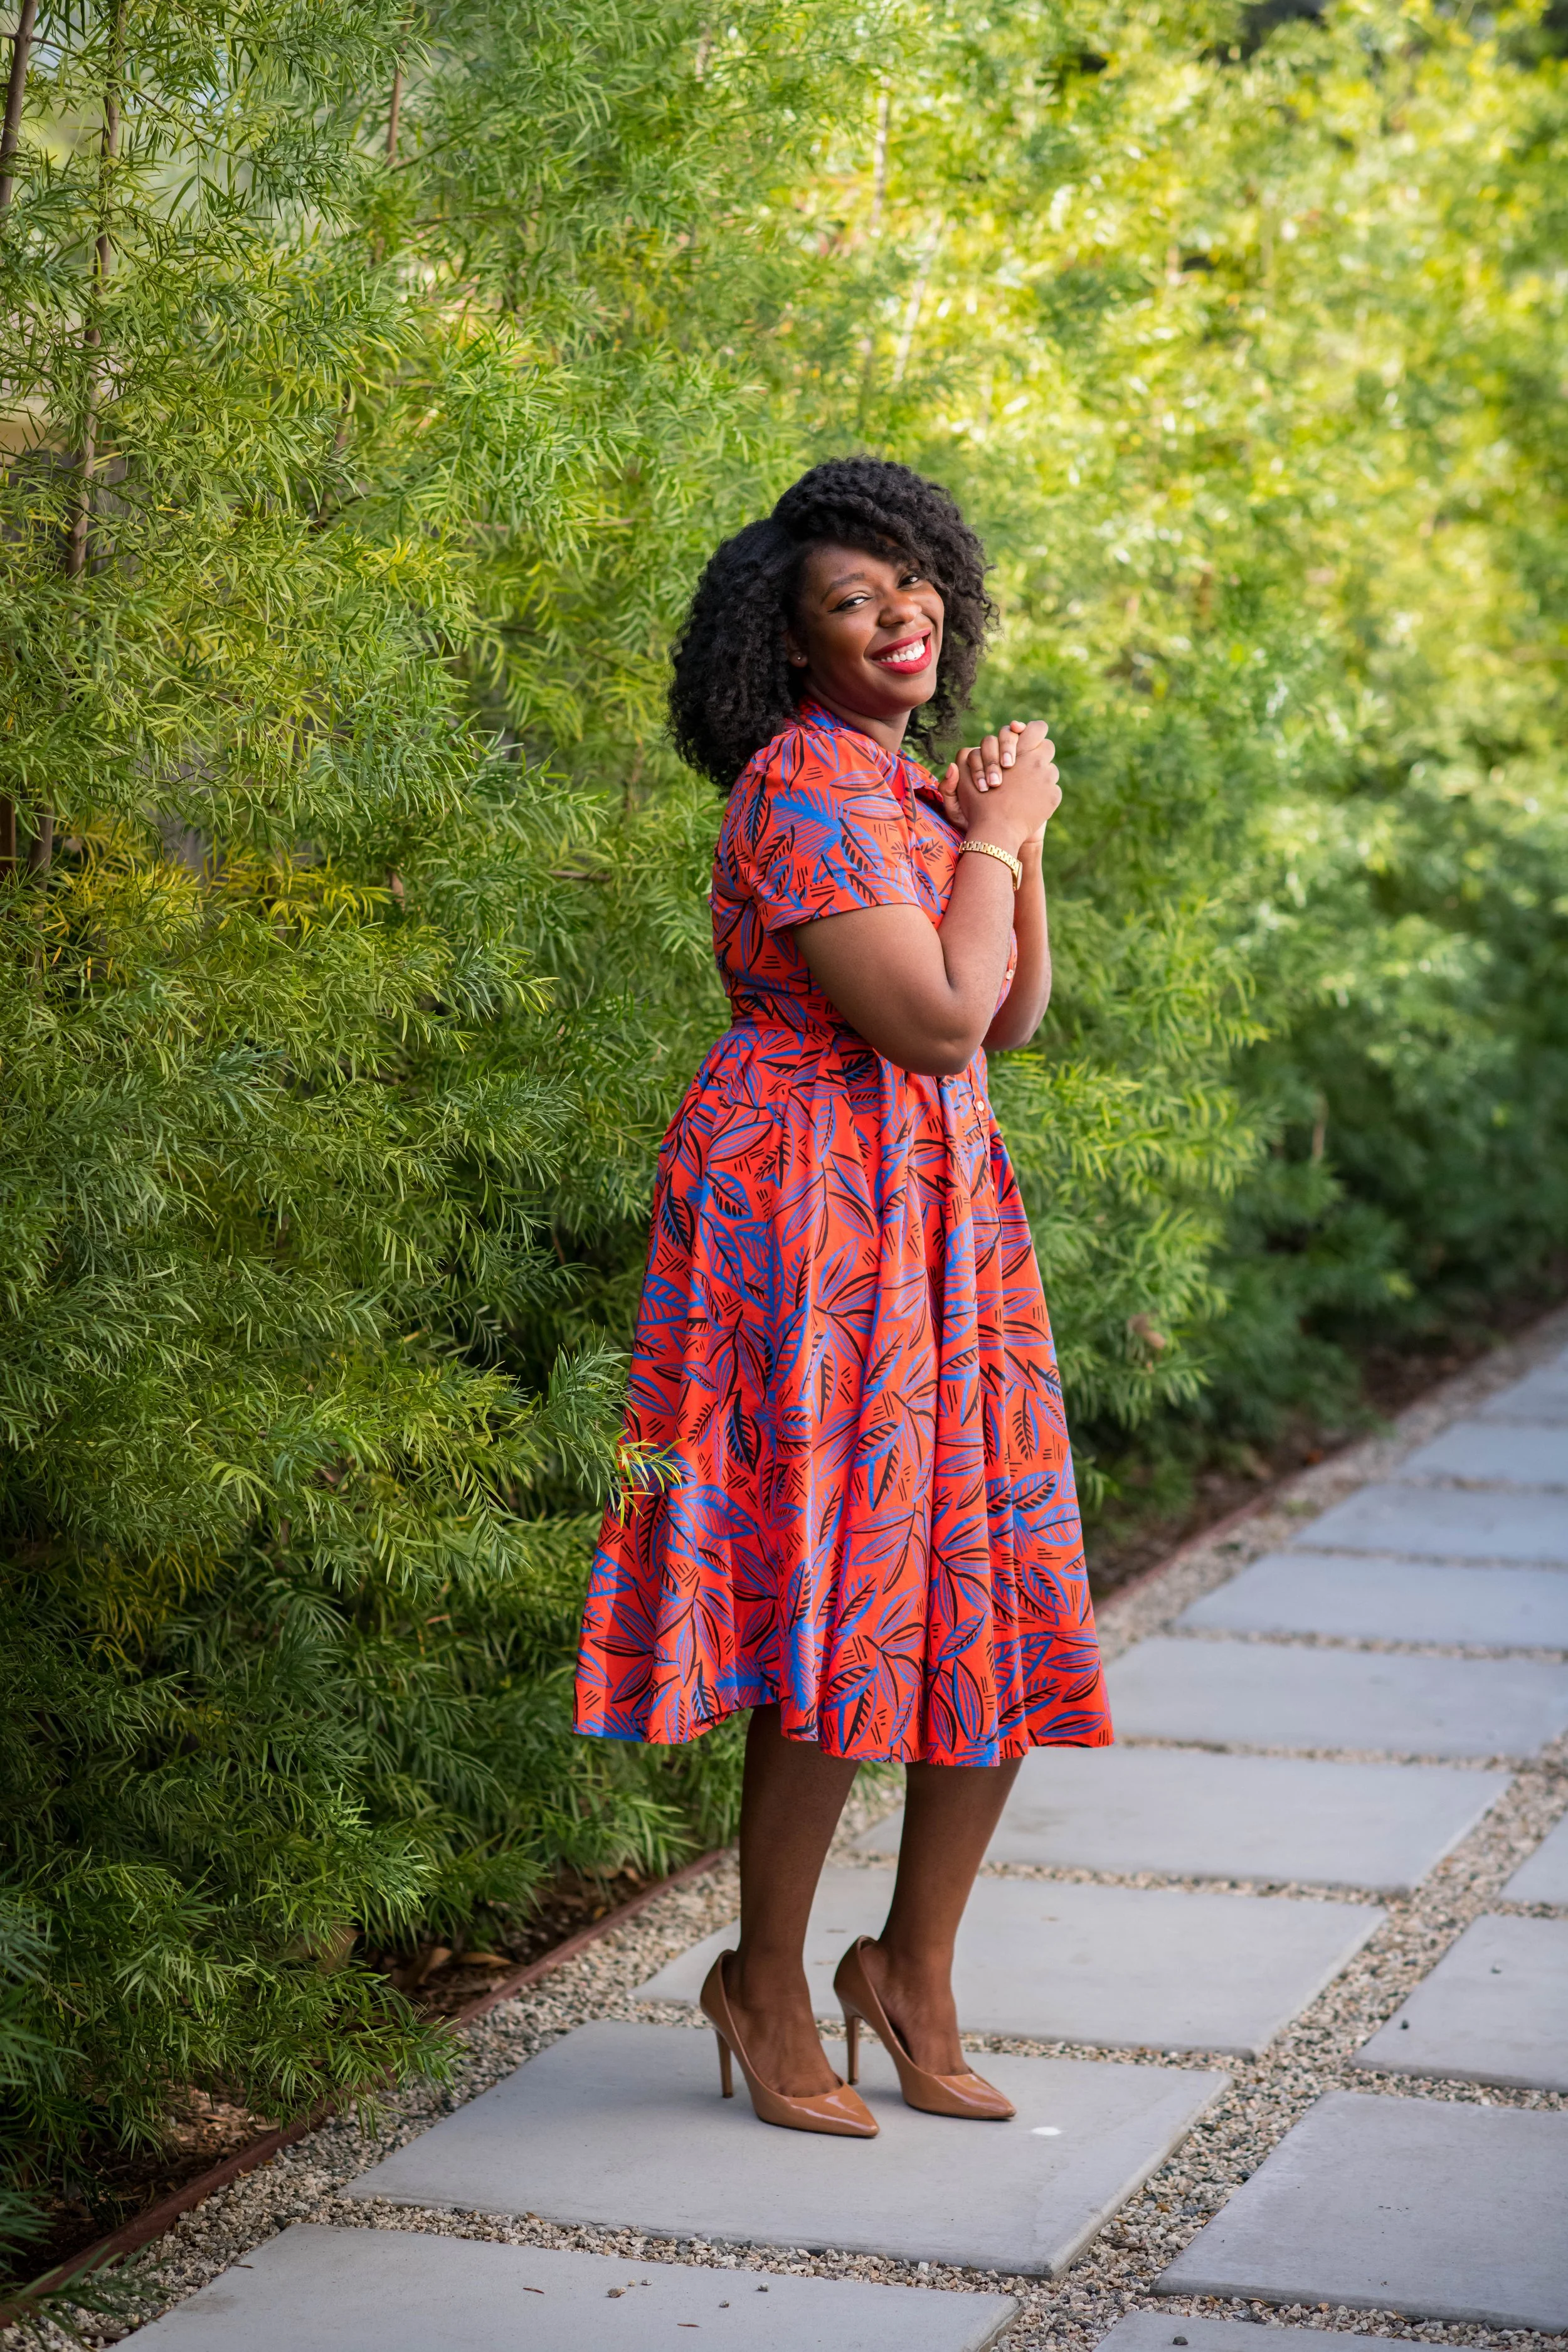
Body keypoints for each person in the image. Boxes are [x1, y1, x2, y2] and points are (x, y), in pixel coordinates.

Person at [575, 455, 1111, 2138]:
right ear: (788, 645)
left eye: (909, 583)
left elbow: (1007, 1014)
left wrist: (997, 846)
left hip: (939, 1209)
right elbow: (935, 1021)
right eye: (848, 598)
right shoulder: (800, 790)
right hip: (807, 1220)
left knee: (988, 1579)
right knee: (835, 1600)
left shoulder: (899, 793)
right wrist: (1000, 838)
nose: (895, 612)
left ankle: (912, 1969)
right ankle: (767, 1975)